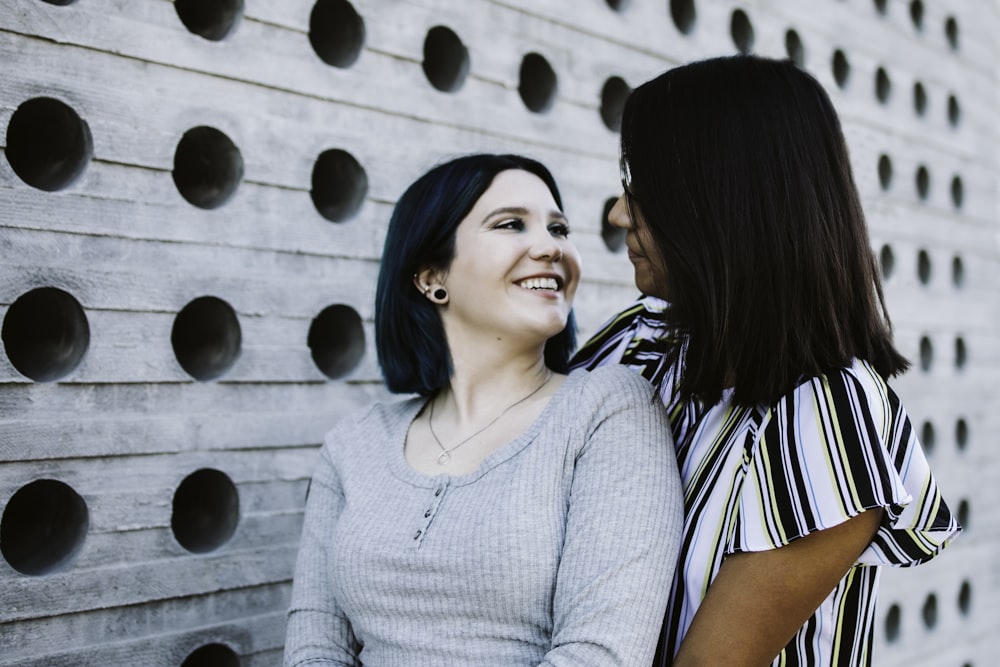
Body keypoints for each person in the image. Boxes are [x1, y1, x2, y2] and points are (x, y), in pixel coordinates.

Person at [571, 56, 961, 666]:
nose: (620, 212)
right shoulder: (638, 343)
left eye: (641, 182)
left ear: (720, 198)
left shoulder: (830, 417)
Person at [284, 153, 684, 666]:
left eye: (559, 229)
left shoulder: (606, 410)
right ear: (431, 276)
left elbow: (598, 655)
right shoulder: (355, 442)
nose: (550, 247)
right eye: (511, 224)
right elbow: (315, 645)